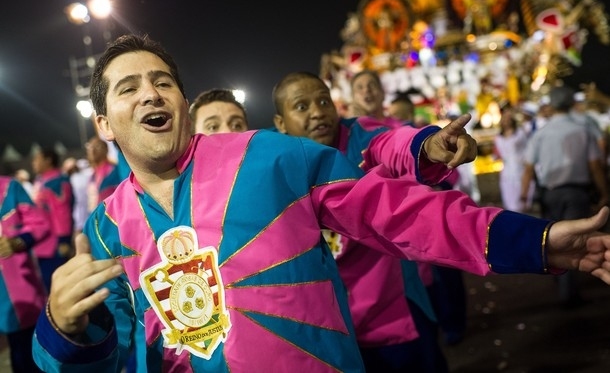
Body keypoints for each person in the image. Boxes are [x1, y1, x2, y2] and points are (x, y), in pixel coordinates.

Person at [33, 34, 610, 373]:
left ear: (181, 102)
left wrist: (533, 241)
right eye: (128, 87)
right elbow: (118, 357)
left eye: (162, 81)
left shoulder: (271, 158)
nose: (150, 92)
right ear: (105, 123)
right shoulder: (105, 228)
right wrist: (63, 329)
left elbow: (398, 211)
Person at [272, 71, 474, 371]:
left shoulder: (361, 136)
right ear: (280, 124)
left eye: (323, 101)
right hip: (334, 329)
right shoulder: (275, 169)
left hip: (394, 313)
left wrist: (426, 146)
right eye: (302, 106)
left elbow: (393, 143)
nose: (317, 112)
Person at [521, 85, 609, 307]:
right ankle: (568, 293)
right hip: (575, 192)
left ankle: (560, 281)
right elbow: (595, 165)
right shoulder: (582, 130)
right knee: (570, 241)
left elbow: (529, 168)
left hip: (550, 193)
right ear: (571, 103)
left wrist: (524, 195)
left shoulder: (541, 134)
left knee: (551, 237)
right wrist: (604, 192)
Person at [0, 175, 49, 372]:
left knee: (26, 354)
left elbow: (40, 224)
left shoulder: (9, 188)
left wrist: (17, 242)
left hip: (16, 289)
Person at [30, 147, 74, 291]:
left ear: (48, 160)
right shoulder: (41, 181)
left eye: (37, 159)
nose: (33, 163)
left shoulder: (57, 181)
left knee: (60, 287)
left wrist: (63, 240)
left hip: (54, 245)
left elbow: (63, 213)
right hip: (41, 244)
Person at [494, 106, 535, 212]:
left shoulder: (521, 133)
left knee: (522, 202)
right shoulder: (498, 137)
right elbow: (498, 153)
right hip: (507, 172)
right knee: (511, 204)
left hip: (520, 170)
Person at [85, 136, 120, 213]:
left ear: (106, 150)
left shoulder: (115, 171)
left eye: (97, 147)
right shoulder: (92, 175)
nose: (92, 151)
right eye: (90, 147)